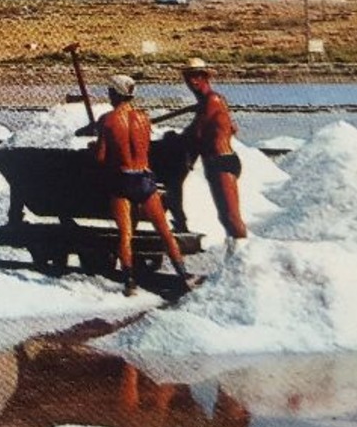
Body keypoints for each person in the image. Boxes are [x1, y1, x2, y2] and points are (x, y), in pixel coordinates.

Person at [93, 74, 191, 296]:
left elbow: (101, 158)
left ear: (115, 94)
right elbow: (145, 149)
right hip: (145, 179)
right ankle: (184, 276)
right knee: (165, 231)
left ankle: (129, 282)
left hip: (123, 181)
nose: (108, 96)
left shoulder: (107, 120)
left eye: (109, 92)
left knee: (126, 234)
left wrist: (96, 147)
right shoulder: (144, 118)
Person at [180, 58, 248, 245]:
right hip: (212, 162)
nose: (191, 81)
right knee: (224, 217)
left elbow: (197, 132)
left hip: (222, 161)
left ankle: (246, 255)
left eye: (196, 76)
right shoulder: (204, 102)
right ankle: (236, 256)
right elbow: (231, 127)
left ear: (205, 77)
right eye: (188, 77)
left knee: (232, 217)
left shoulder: (212, 100)